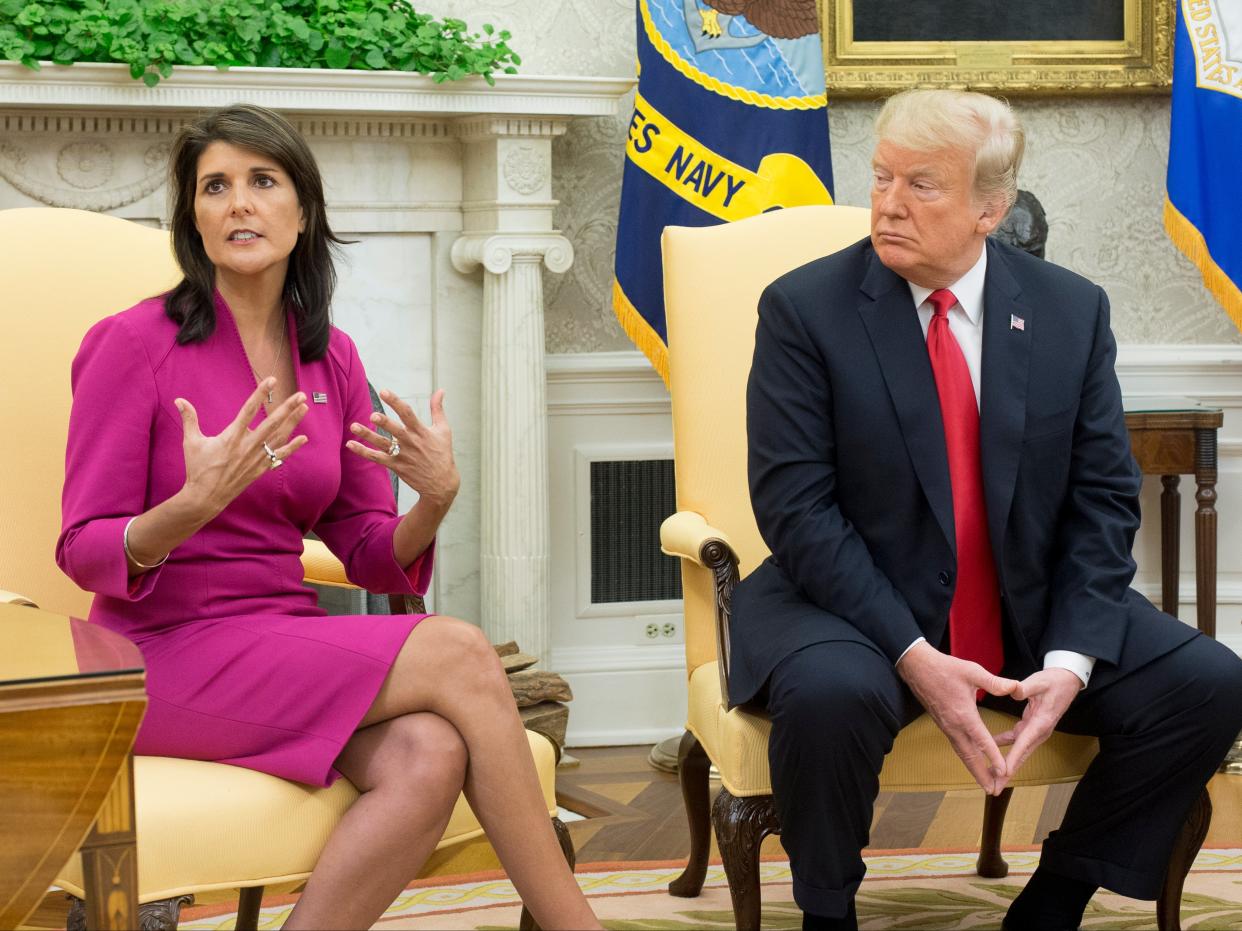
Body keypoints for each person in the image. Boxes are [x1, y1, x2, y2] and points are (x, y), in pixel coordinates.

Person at [56, 104, 602, 931]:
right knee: (455, 646)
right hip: (158, 654)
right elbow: (82, 546)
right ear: (192, 217)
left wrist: (436, 498)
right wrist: (188, 506)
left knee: (430, 753)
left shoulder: (330, 355)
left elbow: (369, 551)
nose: (239, 203)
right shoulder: (130, 344)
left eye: (262, 181)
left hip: (277, 632)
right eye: (215, 186)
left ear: (301, 210)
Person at [730, 88, 1242, 931]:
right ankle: (828, 914)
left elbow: (1105, 498)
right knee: (829, 695)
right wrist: (913, 651)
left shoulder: (1069, 310)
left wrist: (1073, 657)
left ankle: (1056, 898)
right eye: (882, 176)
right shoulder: (803, 309)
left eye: (922, 185)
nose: (888, 203)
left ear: (989, 208)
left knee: (1208, 683)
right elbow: (796, 507)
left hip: (1024, 602)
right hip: (852, 609)